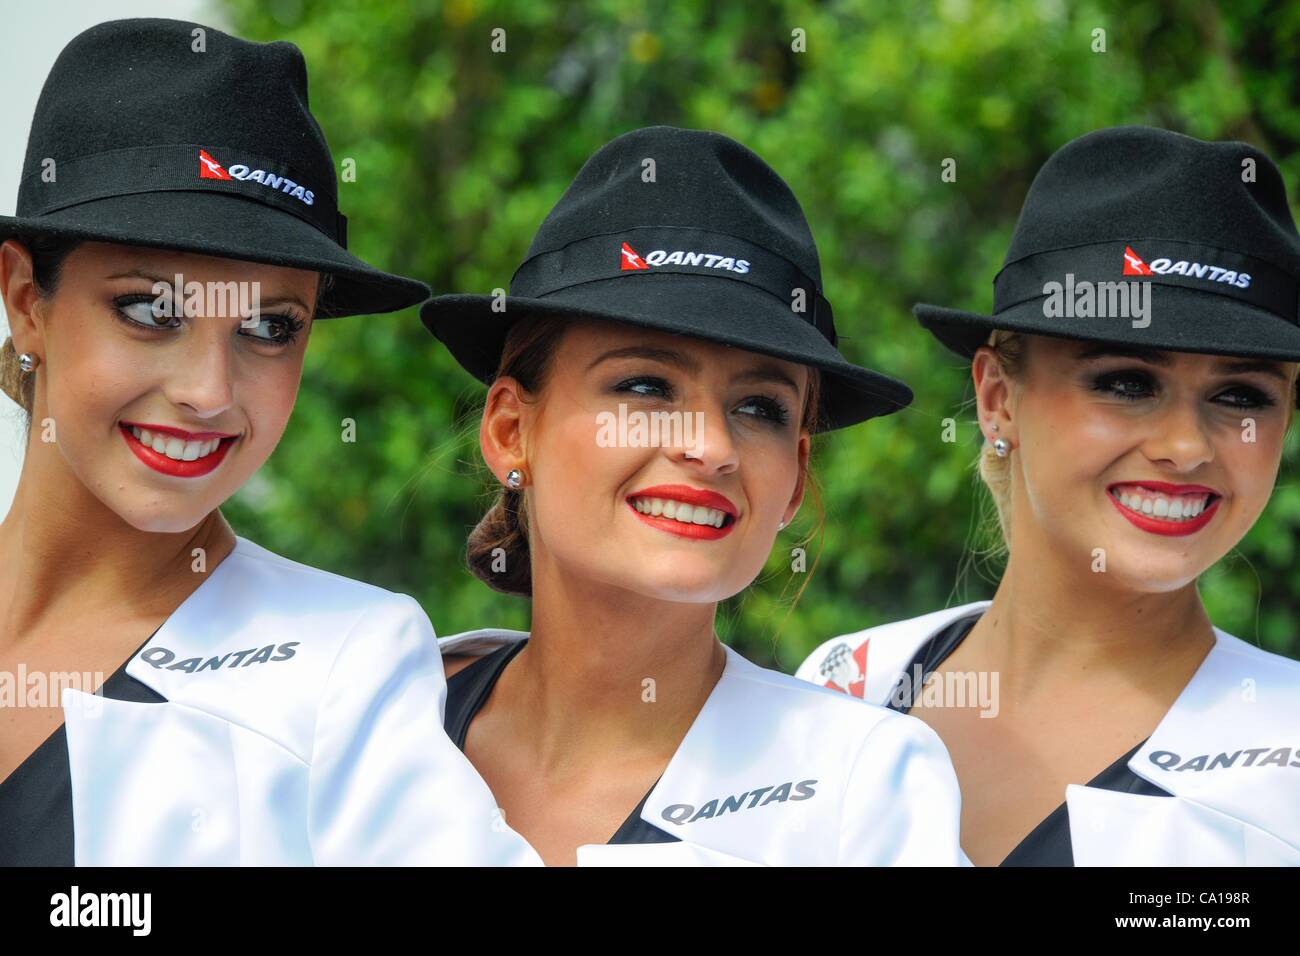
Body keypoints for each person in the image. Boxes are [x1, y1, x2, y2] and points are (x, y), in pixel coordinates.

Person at [0, 18, 532, 866]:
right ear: (28, 299)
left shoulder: (345, 671)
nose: (209, 392)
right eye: (151, 310)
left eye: (268, 327)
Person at [421, 126, 966, 866]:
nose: (710, 446)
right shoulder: (374, 719)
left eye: (760, 407)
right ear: (512, 430)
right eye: (646, 386)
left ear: (796, 478)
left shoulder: (860, 792)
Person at [797, 126, 1300, 866]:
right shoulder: (847, 682)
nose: (1186, 445)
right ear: (998, 397)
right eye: (1127, 382)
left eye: (1240, 394)